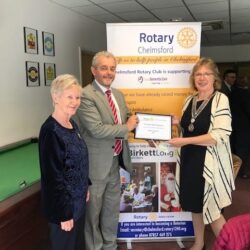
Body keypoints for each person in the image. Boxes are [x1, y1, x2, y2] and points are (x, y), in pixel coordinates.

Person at [168, 58, 235, 250]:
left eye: (206, 74)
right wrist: (177, 122)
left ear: (214, 77)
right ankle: (199, 243)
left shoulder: (220, 99)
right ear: (193, 78)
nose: (202, 78)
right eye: (198, 74)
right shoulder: (190, 100)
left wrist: (185, 141)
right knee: (194, 205)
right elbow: (189, 125)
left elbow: (218, 136)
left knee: (213, 209)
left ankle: (231, 246)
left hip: (209, 163)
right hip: (190, 160)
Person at [74, 51, 138, 250]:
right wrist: (127, 127)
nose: (109, 73)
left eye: (112, 68)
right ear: (93, 71)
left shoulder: (117, 95)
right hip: (95, 165)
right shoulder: (85, 95)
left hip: (115, 161)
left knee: (111, 210)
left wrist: (154, 124)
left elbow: (127, 118)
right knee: (92, 213)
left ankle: (110, 245)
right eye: (104, 68)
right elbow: (97, 129)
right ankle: (94, 247)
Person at [38, 74, 90, 250]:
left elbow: (78, 158)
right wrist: (64, 214)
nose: (75, 102)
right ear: (55, 97)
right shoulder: (50, 131)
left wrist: (86, 185)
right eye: (70, 97)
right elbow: (53, 178)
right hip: (65, 209)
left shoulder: (71, 124)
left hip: (79, 203)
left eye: (77, 97)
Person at [230, 76, 250, 179]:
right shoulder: (246, 94)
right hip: (244, 127)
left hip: (233, 125)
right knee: (243, 149)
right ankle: (241, 172)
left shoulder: (232, 93)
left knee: (234, 148)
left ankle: (235, 170)